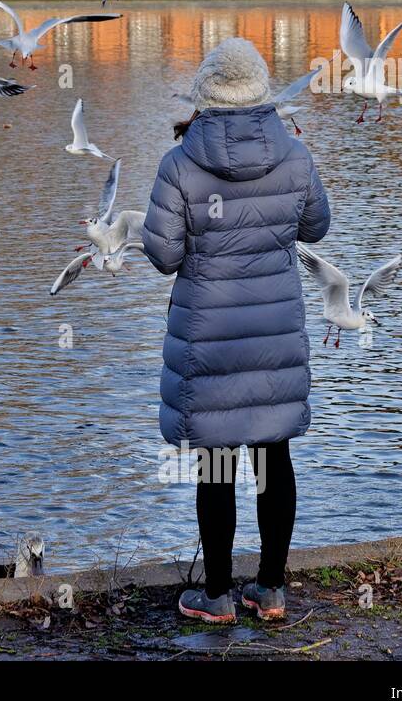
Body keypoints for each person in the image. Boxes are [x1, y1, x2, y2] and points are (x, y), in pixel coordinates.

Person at [141, 38, 331, 623]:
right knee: (274, 458)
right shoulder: (295, 156)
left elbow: (164, 256)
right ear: (262, 95)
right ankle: (271, 588)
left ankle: (217, 594)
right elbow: (317, 228)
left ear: (206, 97)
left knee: (216, 465)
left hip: (210, 336)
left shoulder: (179, 164)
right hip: (273, 332)